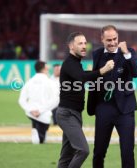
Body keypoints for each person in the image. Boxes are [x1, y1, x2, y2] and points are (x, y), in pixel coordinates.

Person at [56, 32, 114, 168]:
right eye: (80, 43)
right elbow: (82, 78)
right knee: (83, 150)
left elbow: (82, 75)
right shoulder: (69, 63)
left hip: (74, 114)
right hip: (67, 114)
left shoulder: (76, 63)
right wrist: (102, 70)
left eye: (85, 43)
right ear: (71, 46)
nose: (84, 46)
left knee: (66, 156)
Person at [87, 25, 137, 168]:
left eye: (115, 39)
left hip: (125, 109)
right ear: (102, 39)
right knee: (99, 151)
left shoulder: (129, 52)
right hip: (103, 108)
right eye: (108, 40)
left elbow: (136, 73)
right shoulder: (97, 54)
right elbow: (95, 78)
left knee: (127, 152)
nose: (112, 42)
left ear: (118, 37)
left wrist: (126, 54)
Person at [19, 61, 58, 144]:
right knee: (41, 139)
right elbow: (56, 100)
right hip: (44, 113)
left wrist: (31, 110)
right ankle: (37, 134)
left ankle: (35, 130)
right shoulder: (50, 82)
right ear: (45, 69)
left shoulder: (29, 82)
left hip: (31, 113)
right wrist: (40, 110)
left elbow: (21, 100)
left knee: (37, 126)